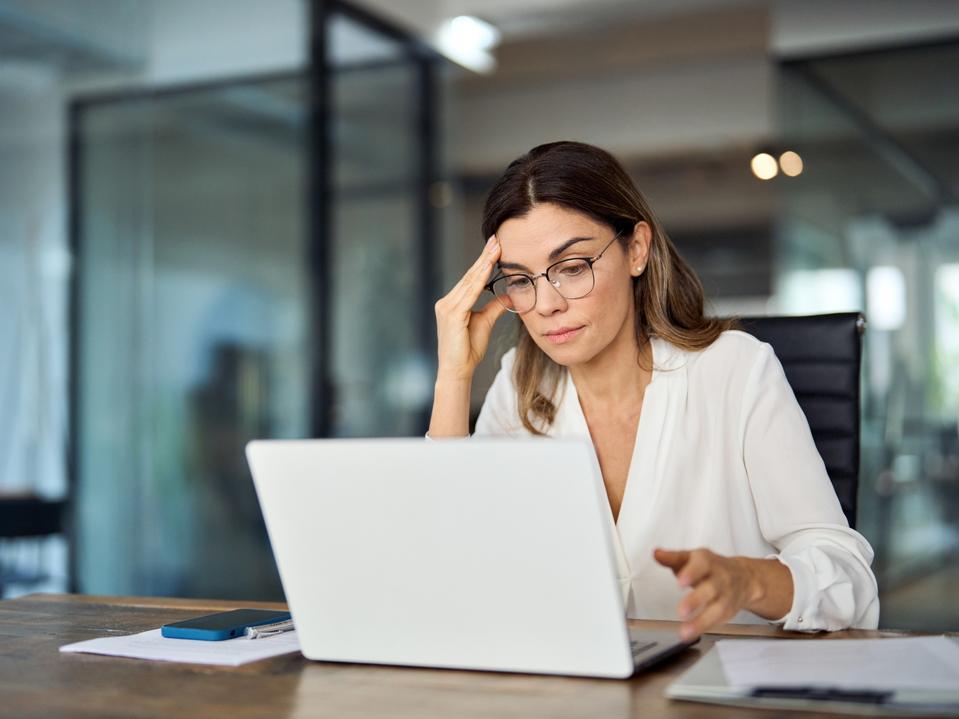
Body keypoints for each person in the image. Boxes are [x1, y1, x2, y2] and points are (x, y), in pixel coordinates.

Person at [428, 140, 879, 640]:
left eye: (572, 267)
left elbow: (849, 577)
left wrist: (749, 579)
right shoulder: (519, 387)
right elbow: (451, 570)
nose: (546, 304)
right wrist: (453, 376)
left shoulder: (735, 370)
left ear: (636, 249)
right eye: (519, 280)